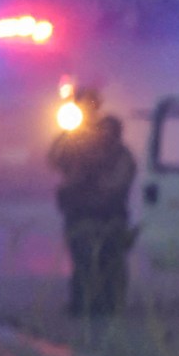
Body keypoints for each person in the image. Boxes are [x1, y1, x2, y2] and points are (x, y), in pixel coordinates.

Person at [50, 112, 136, 317]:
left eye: (108, 133)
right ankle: (82, 304)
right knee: (83, 263)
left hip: (109, 218)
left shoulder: (122, 157)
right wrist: (67, 134)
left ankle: (109, 305)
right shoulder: (83, 152)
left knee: (110, 264)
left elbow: (115, 186)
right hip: (82, 217)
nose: (104, 137)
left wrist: (90, 182)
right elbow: (55, 159)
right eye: (100, 132)